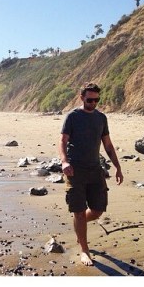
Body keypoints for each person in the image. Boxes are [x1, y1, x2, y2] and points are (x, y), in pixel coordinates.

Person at [59, 82, 124, 266]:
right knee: (78, 212)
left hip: (95, 169)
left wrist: (118, 167)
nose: (93, 103)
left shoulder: (101, 118)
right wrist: (64, 162)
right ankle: (84, 250)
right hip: (75, 170)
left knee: (97, 210)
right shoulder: (72, 117)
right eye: (90, 100)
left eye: (97, 100)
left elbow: (108, 145)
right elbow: (62, 141)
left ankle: (80, 226)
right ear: (82, 98)